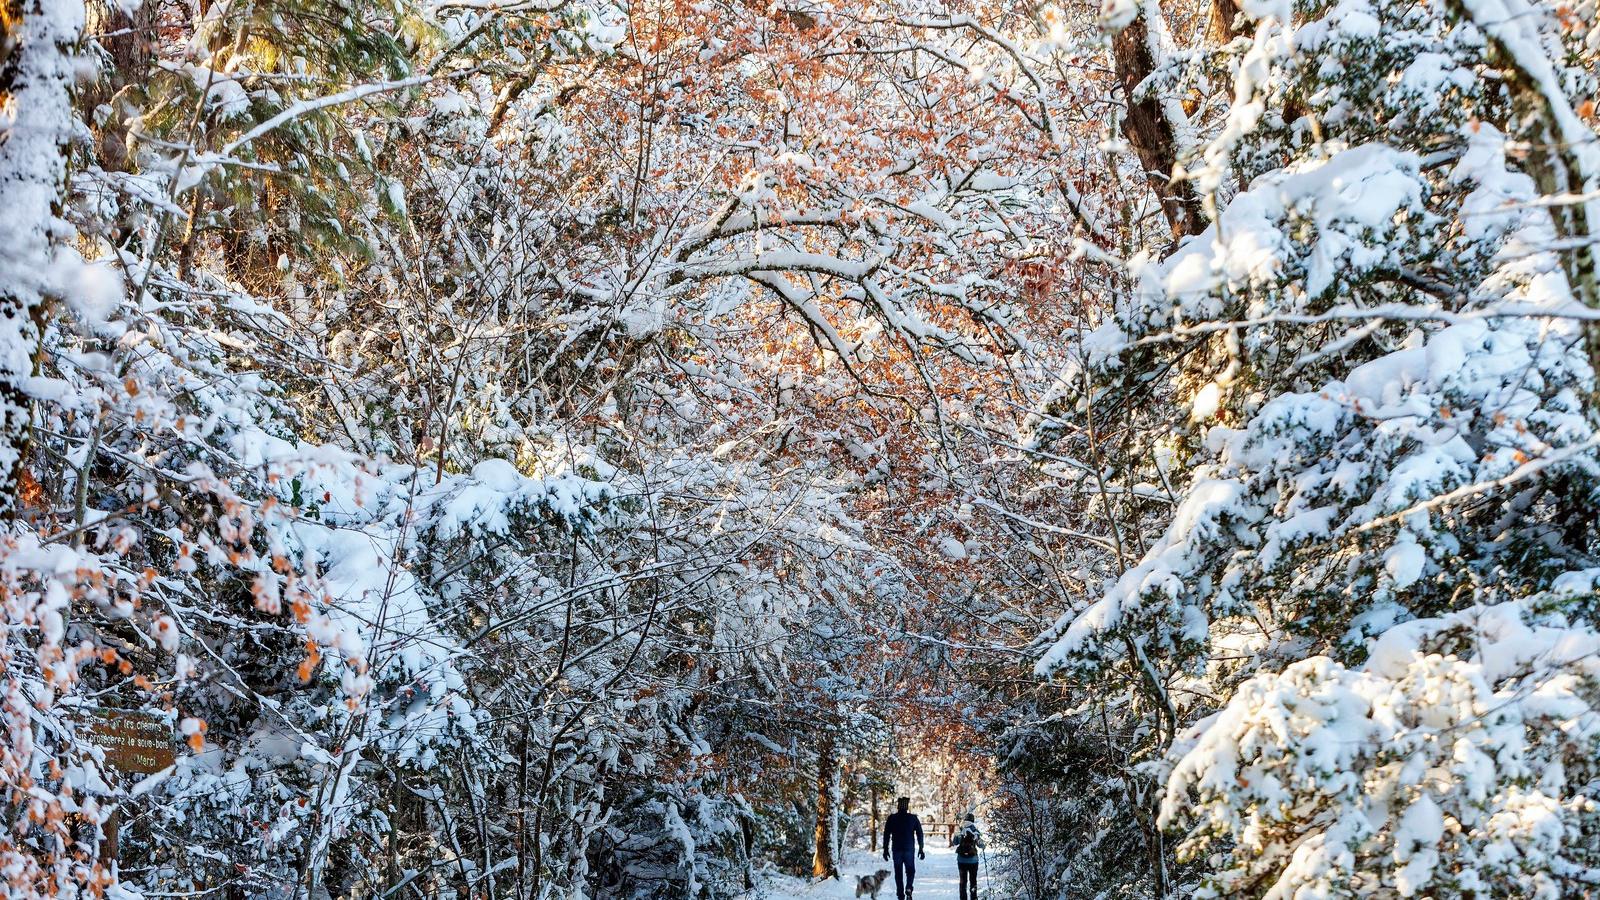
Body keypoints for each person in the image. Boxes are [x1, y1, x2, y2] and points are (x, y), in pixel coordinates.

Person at [881, 796, 924, 900]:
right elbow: (920, 833)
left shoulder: (892, 818)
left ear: (898, 806)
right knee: (910, 871)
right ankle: (909, 887)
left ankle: (900, 895)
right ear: (907, 807)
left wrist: (885, 849)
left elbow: (886, 834)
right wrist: (921, 848)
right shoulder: (913, 818)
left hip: (896, 849)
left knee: (898, 872)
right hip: (909, 848)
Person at [949, 813, 985, 900]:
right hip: (973, 861)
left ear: (965, 820)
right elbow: (981, 845)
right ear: (973, 820)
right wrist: (983, 845)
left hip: (961, 860)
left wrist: (958, 835)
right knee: (973, 881)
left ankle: (963, 898)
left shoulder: (960, 830)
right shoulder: (975, 831)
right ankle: (974, 898)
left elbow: (954, 842)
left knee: (963, 882)